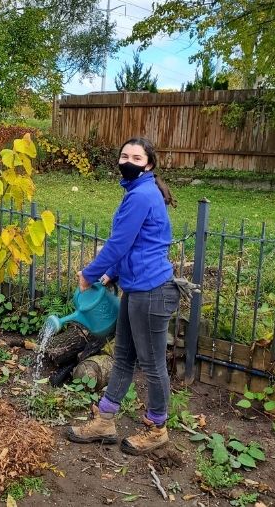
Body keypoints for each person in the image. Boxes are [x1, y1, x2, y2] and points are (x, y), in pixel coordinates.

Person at [66, 136, 180, 455]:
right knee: (125, 356)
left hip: (151, 291)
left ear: (149, 164)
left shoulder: (142, 195)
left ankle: (157, 428)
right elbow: (134, 244)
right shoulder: (139, 192)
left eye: (136, 157)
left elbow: (119, 243)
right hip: (135, 287)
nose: (128, 160)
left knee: (154, 363)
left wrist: (88, 274)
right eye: (124, 155)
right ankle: (105, 420)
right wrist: (111, 273)